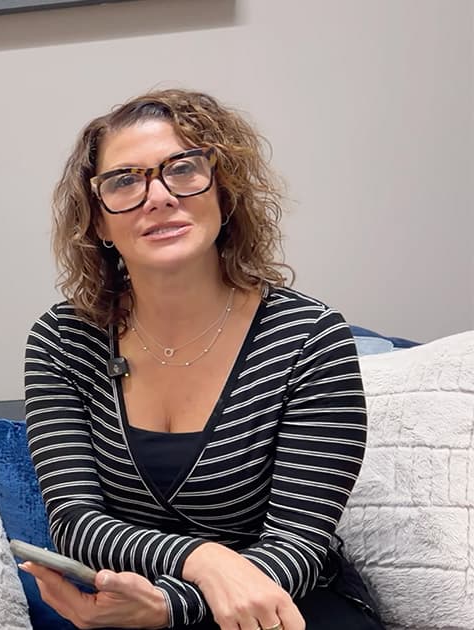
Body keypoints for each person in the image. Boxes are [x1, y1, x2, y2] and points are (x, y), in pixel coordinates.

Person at [21, 89, 383, 630]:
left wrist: (173, 606)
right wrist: (201, 559)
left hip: (287, 604)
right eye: (124, 181)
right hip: (128, 609)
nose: (158, 196)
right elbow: (76, 523)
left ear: (224, 192)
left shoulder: (309, 336)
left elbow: (301, 540)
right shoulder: (61, 340)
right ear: (97, 222)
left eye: (183, 170)